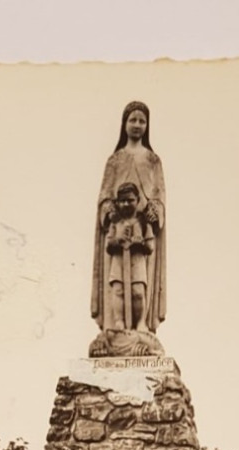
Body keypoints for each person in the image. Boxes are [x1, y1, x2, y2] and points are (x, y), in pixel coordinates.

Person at [91, 101, 166, 336]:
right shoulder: (115, 160)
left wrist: (155, 211)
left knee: (139, 288)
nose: (137, 125)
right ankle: (117, 326)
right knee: (118, 288)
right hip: (119, 231)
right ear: (124, 124)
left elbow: (159, 195)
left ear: (147, 126)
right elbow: (104, 195)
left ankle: (142, 327)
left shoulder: (153, 161)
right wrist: (110, 210)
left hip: (143, 235)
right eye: (132, 120)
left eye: (142, 121)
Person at [105, 182, 155, 330]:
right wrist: (117, 240)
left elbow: (150, 246)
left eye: (130, 200)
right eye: (122, 201)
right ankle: (119, 321)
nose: (126, 204)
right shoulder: (116, 223)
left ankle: (140, 322)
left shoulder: (144, 223)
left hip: (137, 261)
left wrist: (140, 244)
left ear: (138, 200)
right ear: (117, 202)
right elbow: (108, 245)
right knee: (118, 291)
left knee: (138, 292)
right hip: (119, 262)